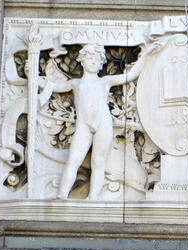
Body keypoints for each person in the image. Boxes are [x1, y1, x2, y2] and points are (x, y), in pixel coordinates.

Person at [48, 42, 161, 200]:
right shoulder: (76, 83)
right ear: (82, 60)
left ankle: (93, 197)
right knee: (73, 160)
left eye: (96, 58)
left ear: (101, 63)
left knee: (98, 161)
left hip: (103, 123)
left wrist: (146, 53)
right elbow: (53, 86)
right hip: (83, 125)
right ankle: (62, 195)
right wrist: (32, 74)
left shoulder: (105, 81)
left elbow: (130, 75)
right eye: (89, 58)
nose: (93, 61)